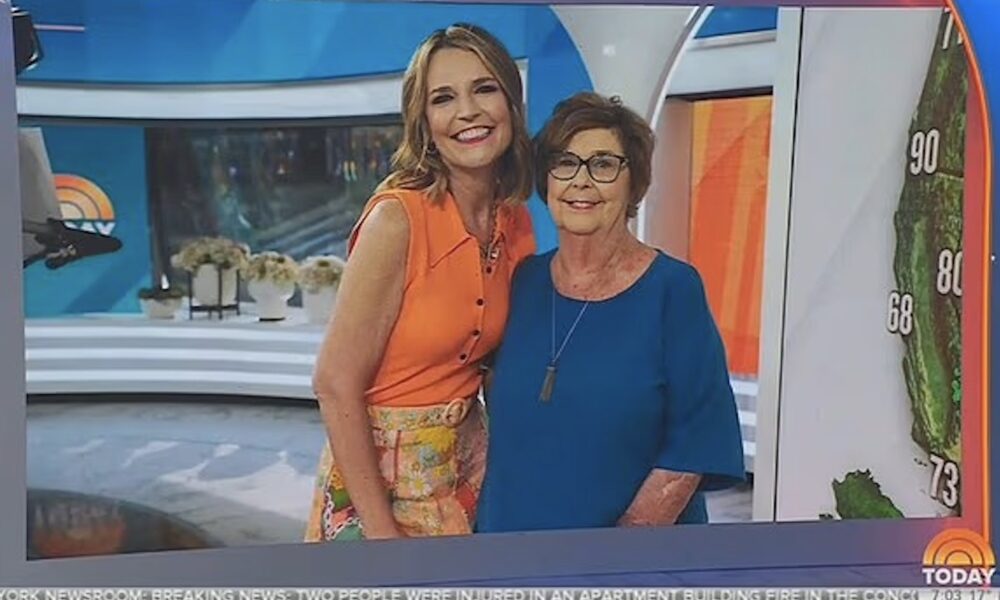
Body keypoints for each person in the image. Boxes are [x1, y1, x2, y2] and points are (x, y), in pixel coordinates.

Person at [303, 23, 536, 541]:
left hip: (468, 471)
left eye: (484, 89)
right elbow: (335, 382)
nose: (468, 111)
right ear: (424, 122)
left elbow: (497, 368)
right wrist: (382, 536)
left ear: (511, 103)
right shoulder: (396, 220)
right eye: (443, 98)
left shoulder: (515, 219)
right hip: (379, 482)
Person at [476, 92, 745, 532]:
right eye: (565, 163)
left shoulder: (673, 290)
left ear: (633, 181)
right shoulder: (522, 280)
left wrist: (615, 556)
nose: (581, 181)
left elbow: (693, 445)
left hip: (629, 555)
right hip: (507, 547)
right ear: (546, 181)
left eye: (603, 165)